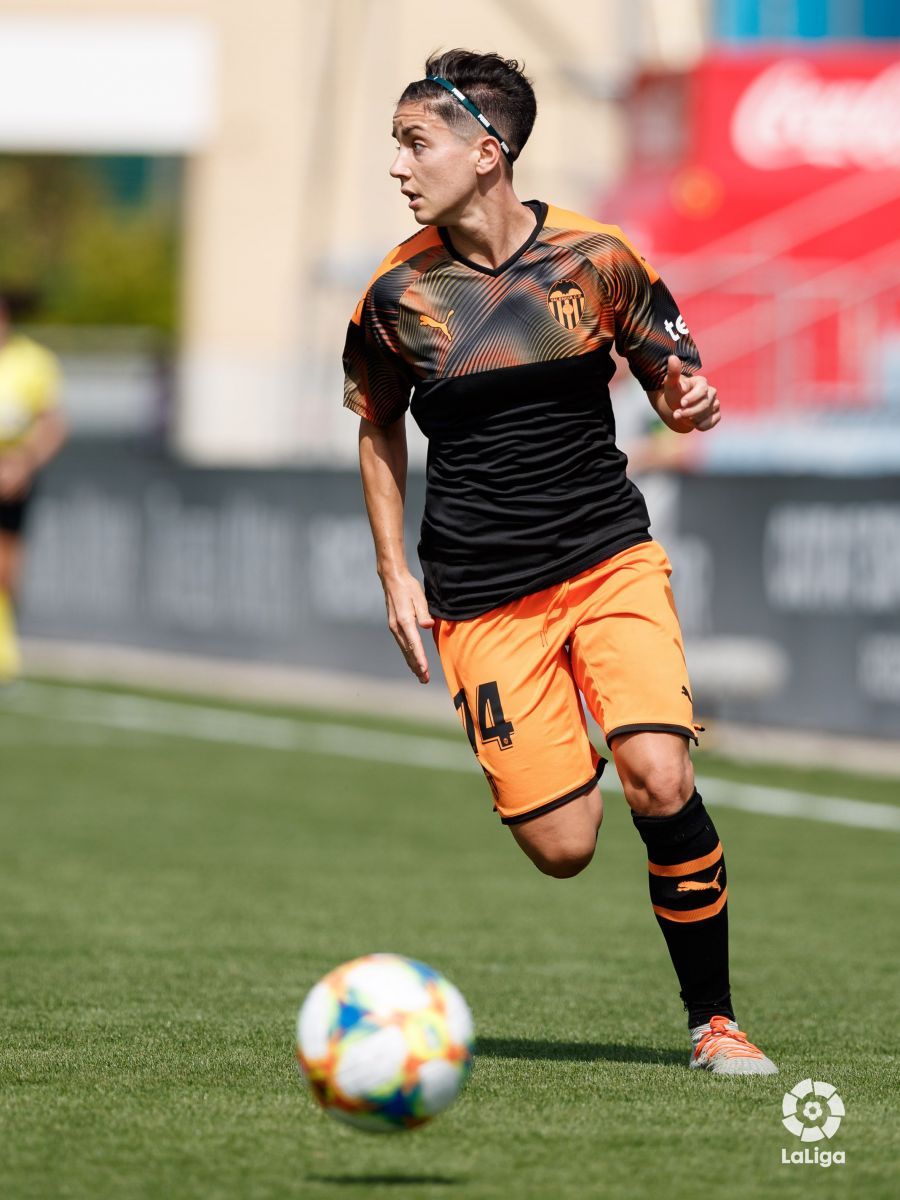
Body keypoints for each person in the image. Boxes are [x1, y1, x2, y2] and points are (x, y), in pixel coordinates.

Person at [343, 50, 776, 1075]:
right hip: (484, 596)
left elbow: (675, 376)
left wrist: (690, 402)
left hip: (607, 557)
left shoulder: (598, 259)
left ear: (487, 153)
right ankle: (556, 744)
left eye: (417, 143)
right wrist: (395, 574)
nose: (400, 166)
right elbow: (377, 429)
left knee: (660, 776)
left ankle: (714, 1022)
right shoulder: (395, 296)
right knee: (565, 846)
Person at [0, 296, 67, 683]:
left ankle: (6, 652)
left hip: (14, 471)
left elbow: (53, 423)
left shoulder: (33, 362)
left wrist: (22, 462)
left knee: (6, 568)